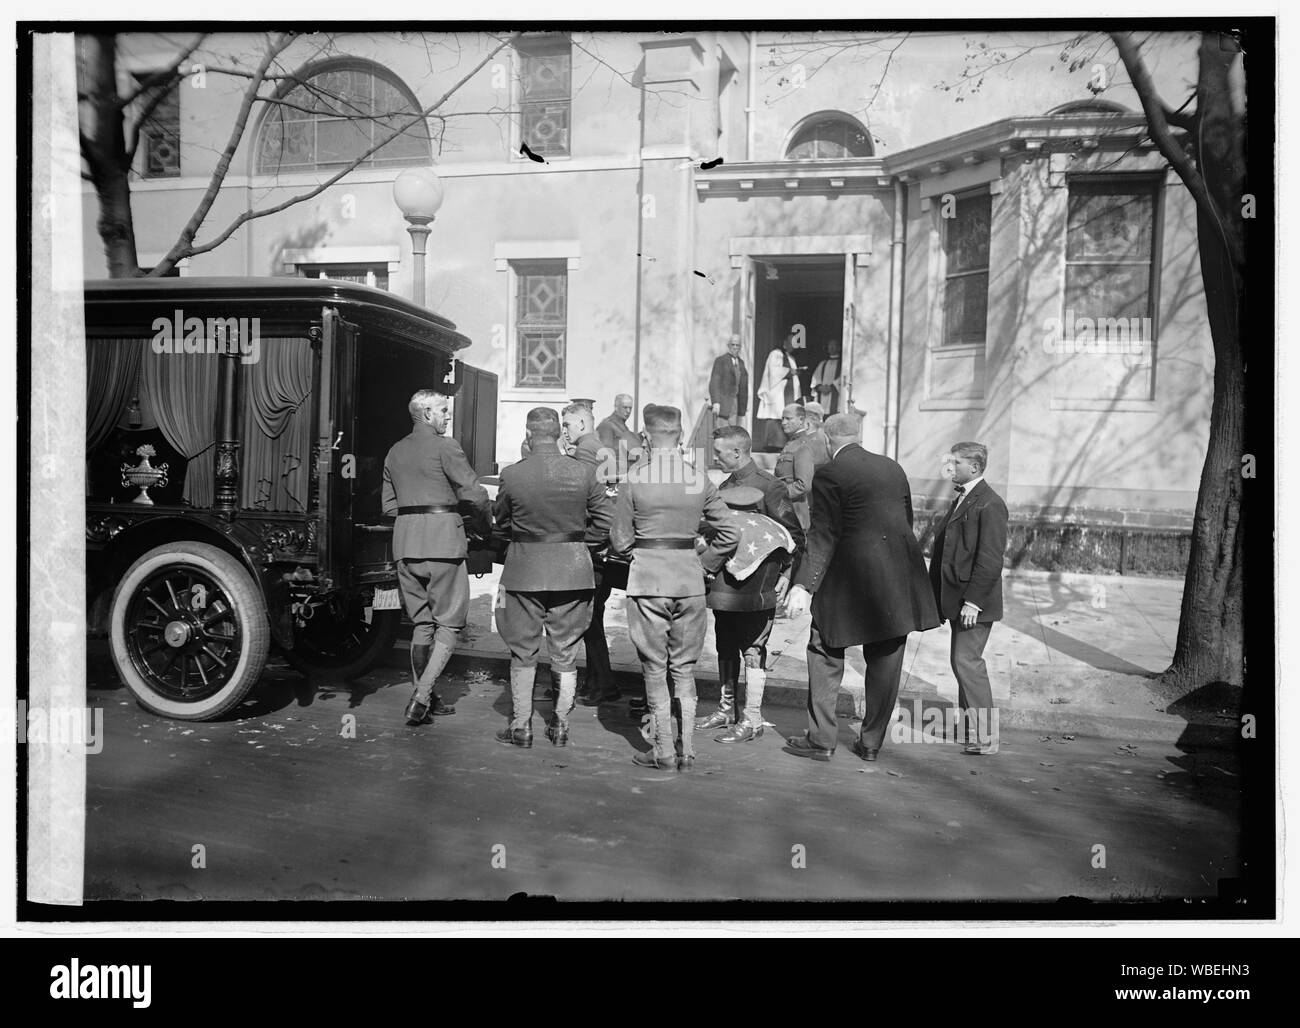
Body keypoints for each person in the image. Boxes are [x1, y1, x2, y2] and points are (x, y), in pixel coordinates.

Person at [784, 413, 939, 762]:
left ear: (827, 439)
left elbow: (822, 535)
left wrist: (804, 585)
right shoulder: (892, 467)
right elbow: (906, 521)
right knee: (886, 657)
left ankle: (822, 739)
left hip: (848, 582)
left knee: (824, 651)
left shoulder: (829, 475)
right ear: (857, 435)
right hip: (897, 580)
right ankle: (870, 743)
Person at [610, 404, 741, 770]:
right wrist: (703, 564)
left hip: (648, 581)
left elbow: (620, 541)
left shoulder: (635, 479)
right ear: (681, 436)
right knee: (684, 668)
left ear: (647, 437)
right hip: (689, 581)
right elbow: (730, 533)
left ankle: (663, 749)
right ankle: (687, 749)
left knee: (654, 667)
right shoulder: (699, 479)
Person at [492, 407, 613, 747]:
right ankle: (559, 726)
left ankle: (521, 726)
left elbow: (500, 522)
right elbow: (605, 522)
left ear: (528, 433)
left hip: (523, 573)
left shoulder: (513, 475)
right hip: (574, 572)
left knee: (522, 648)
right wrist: (575, 542)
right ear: (559, 433)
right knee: (566, 650)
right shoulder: (583, 473)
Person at [383, 389, 492, 726]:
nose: (447, 416)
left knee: (422, 623)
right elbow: (475, 493)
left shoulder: (395, 451)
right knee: (449, 623)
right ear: (427, 413)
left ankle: (426, 696)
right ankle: (421, 696)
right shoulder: (447, 447)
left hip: (405, 545)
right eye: (444, 411)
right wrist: (482, 527)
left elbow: (387, 507)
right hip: (443, 543)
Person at [695, 426, 804, 743]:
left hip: (758, 587)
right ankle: (726, 710)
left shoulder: (770, 487)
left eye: (719, 453)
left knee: (753, 648)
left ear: (738, 452)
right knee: (725, 644)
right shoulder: (726, 485)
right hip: (726, 587)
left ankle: (752, 719)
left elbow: (794, 536)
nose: (716, 457)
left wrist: (787, 575)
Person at [929, 441, 1008, 756]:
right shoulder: (965, 497)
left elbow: (990, 560)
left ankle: (986, 736)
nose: (950, 468)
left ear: (974, 468)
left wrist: (973, 601)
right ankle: (970, 729)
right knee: (961, 661)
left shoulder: (989, 503)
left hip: (975, 603)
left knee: (967, 662)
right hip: (961, 599)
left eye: (956, 463)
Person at [561, 402, 621, 705]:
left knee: (588, 618)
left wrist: (588, 541)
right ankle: (595, 680)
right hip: (605, 547)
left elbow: (591, 504)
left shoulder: (584, 453)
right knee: (591, 616)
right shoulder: (602, 448)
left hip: (592, 549)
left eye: (568, 425)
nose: (565, 431)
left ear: (582, 424)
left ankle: (603, 683)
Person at [773, 403, 831, 531]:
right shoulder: (791, 443)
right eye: (782, 419)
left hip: (795, 514)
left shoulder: (802, 446)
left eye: (788, 418)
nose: (783, 422)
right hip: (785, 510)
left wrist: (776, 493)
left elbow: (803, 485)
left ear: (801, 420)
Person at [754, 330, 805, 452]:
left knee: (787, 416)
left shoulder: (791, 358)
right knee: (776, 418)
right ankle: (774, 446)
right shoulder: (776, 354)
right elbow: (774, 372)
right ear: (784, 342)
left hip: (788, 394)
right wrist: (790, 371)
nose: (793, 345)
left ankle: (785, 446)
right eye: (791, 342)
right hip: (777, 393)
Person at [596, 392, 644, 475]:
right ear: (616, 407)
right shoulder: (607, 425)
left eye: (630, 408)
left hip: (626, 473)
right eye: (625, 407)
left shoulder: (623, 426)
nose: (628, 411)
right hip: (616, 476)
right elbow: (606, 455)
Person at [708, 338, 749, 427]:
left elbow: (743, 386)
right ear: (728, 346)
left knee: (733, 434)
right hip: (723, 404)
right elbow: (714, 382)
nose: (735, 347)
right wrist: (716, 402)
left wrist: (743, 406)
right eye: (732, 345)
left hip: (737, 404)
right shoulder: (721, 361)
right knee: (722, 432)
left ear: (740, 347)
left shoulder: (741, 363)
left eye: (737, 345)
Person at [811, 339, 844, 414]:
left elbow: (843, 378)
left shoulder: (842, 364)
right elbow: (815, 378)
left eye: (834, 345)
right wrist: (820, 387)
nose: (831, 347)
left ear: (839, 348)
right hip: (822, 396)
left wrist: (831, 387)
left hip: (834, 395)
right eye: (830, 345)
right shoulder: (823, 363)